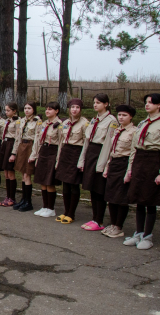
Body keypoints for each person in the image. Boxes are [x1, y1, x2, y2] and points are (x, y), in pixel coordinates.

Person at [123, 94, 160, 250]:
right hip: (139, 162)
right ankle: (139, 232)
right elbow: (133, 148)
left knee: (150, 201)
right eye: (146, 102)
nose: (147, 105)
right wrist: (130, 168)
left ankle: (148, 236)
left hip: (153, 163)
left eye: (151, 103)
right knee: (139, 200)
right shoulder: (143, 123)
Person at [78, 94, 118, 231]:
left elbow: (109, 144)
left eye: (99, 103)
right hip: (91, 152)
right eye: (94, 102)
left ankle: (99, 220)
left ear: (106, 104)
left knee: (99, 189)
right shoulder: (94, 120)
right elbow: (87, 141)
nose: (95, 105)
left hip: (102, 153)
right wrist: (82, 159)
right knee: (92, 187)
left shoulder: (111, 121)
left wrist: (102, 164)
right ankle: (94, 218)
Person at [101, 105, 137, 238]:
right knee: (111, 196)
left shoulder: (134, 131)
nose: (121, 117)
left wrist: (129, 171)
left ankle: (119, 226)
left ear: (131, 117)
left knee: (121, 197)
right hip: (114, 163)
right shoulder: (116, 130)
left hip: (124, 163)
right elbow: (111, 150)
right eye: (119, 115)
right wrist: (107, 167)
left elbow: (134, 153)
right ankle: (113, 223)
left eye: (124, 115)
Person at [54, 99, 88, 223]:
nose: (74, 110)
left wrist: (82, 160)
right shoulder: (65, 123)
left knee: (74, 184)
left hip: (76, 153)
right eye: (72, 107)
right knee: (65, 184)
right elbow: (60, 142)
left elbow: (86, 143)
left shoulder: (85, 123)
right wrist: (58, 159)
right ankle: (66, 211)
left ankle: (71, 213)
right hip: (66, 153)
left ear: (80, 109)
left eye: (77, 107)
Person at [29, 102, 62, 218]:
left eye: (50, 109)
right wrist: (35, 155)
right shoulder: (43, 124)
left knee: (49, 181)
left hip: (52, 152)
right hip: (43, 151)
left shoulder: (59, 124)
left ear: (56, 111)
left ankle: (51, 208)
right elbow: (38, 140)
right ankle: (45, 206)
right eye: (46, 109)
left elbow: (61, 143)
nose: (47, 111)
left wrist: (58, 159)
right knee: (42, 180)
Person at [9, 101, 41, 211]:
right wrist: (14, 152)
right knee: (23, 174)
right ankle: (23, 199)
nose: (27, 110)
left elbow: (37, 139)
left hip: (30, 146)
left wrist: (34, 154)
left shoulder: (37, 121)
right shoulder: (21, 121)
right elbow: (17, 138)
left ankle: (28, 202)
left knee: (27, 174)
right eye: (25, 108)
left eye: (29, 108)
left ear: (34, 110)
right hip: (22, 146)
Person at [0, 102, 19, 206]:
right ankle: (8, 196)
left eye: (8, 110)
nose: (6, 112)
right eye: (5, 110)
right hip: (5, 144)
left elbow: (18, 137)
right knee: (6, 172)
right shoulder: (7, 121)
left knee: (10, 172)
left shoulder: (17, 122)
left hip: (11, 144)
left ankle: (12, 197)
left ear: (14, 111)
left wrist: (14, 152)